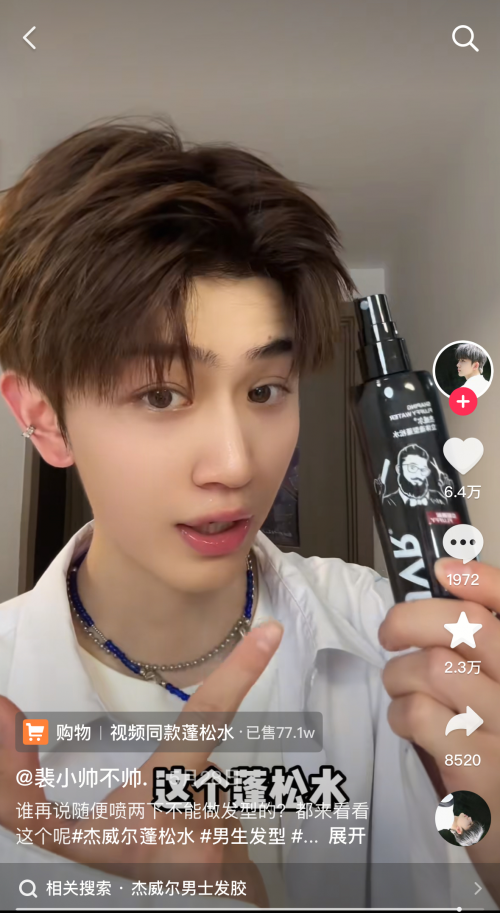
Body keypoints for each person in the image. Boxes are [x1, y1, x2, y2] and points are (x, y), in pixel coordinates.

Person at [0, 121, 499, 909]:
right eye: (161, 393)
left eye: (265, 390)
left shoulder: (391, 637)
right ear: (43, 418)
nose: (237, 463)